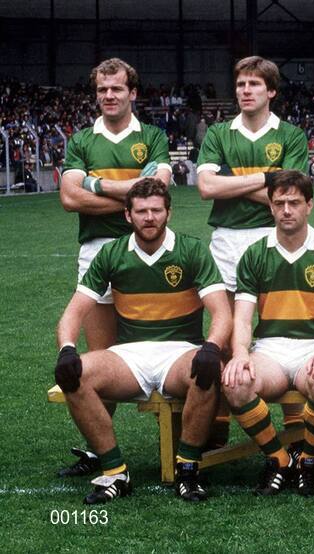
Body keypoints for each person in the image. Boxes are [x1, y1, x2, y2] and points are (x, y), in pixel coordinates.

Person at [53, 179, 230, 503]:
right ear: (128, 215)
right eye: (142, 211)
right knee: (73, 373)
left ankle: (188, 470)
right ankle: (115, 471)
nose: (150, 217)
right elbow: (72, 314)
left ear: (168, 213)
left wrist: (211, 347)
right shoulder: (111, 253)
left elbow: (222, 312)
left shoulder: (190, 249)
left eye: (156, 210)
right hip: (128, 355)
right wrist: (67, 349)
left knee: (207, 369)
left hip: (179, 352)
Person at [57, 57, 172, 478]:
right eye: (102, 90)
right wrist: (129, 196)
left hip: (149, 245)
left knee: (167, 339)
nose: (109, 96)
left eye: (117, 89)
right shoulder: (83, 139)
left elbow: (156, 190)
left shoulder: (153, 136)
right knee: (101, 357)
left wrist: (93, 184)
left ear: (132, 92)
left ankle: (181, 440)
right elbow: (69, 198)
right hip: (99, 247)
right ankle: (99, 450)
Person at [196, 55, 310, 449]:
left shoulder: (292, 135)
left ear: (271, 91)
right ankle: (222, 421)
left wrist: (232, 180)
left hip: (275, 235)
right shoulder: (218, 133)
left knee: (285, 323)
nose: (246, 91)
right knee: (227, 330)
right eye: (241, 84)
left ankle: (295, 424)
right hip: (227, 238)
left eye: (254, 85)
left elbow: (290, 196)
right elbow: (207, 188)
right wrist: (265, 178)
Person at [222, 171, 314, 496]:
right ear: (270, 206)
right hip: (270, 350)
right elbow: (242, 319)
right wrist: (240, 354)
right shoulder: (254, 254)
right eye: (279, 203)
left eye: (294, 202)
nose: (287, 210)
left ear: (310, 205)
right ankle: (278, 458)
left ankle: (307, 460)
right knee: (236, 383)